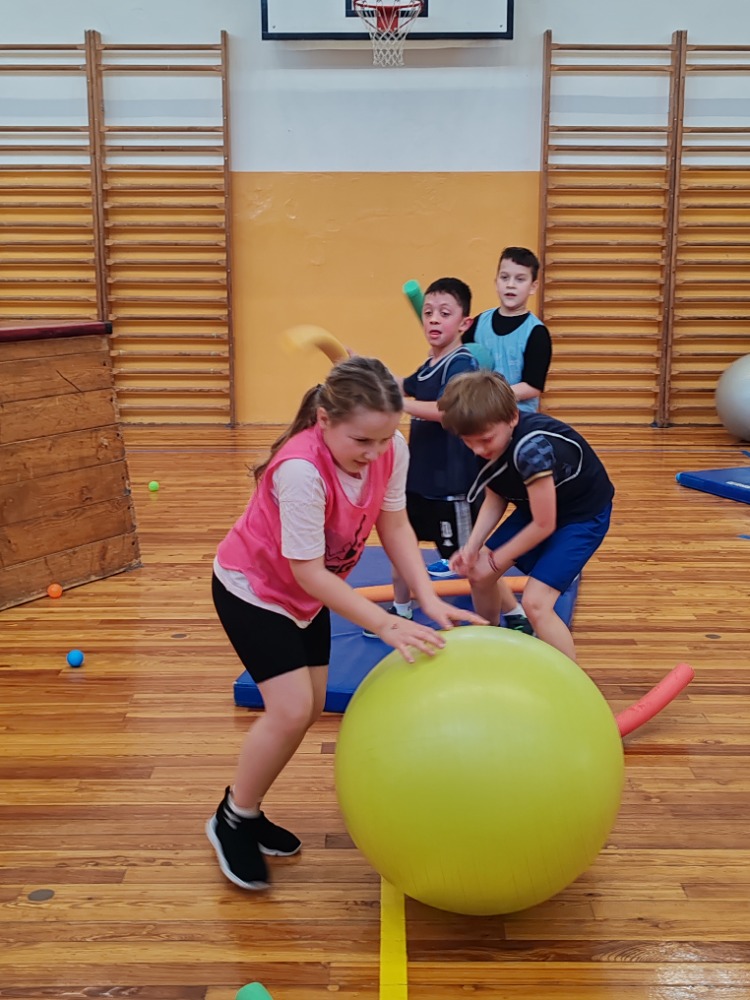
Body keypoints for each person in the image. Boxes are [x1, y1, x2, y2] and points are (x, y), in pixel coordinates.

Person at [207, 356, 486, 891]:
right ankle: (233, 818)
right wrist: (385, 624)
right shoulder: (300, 470)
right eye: (362, 441)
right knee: (290, 710)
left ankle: (245, 807)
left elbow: (395, 524)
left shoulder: (389, 448)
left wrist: (428, 596)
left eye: (384, 439)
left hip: (307, 596)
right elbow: (308, 572)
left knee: (309, 708)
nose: (375, 453)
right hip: (253, 591)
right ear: (324, 420)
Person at [437, 370, 614, 664]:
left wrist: (497, 558)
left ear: (513, 418)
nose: (478, 449)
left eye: (484, 440)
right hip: (538, 506)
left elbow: (545, 524)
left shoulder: (532, 450)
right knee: (479, 573)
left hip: (581, 515)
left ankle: (573, 681)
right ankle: (488, 646)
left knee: (536, 603)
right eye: (469, 442)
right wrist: (472, 547)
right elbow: (496, 496)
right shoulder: (485, 438)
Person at [363, 277, 498, 631]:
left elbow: (448, 409)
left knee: (468, 562)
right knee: (401, 545)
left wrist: (399, 404)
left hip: (451, 487)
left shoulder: (462, 362)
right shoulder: (430, 365)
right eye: (428, 312)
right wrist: (366, 368)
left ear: (464, 323)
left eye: (444, 313)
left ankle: (506, 615)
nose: (434, 319)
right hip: (418, 481)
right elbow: (403, 385)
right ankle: (401, 608)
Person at [462, 246, 552, 416]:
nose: (510, 285)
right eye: (504, 278)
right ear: (496, 282)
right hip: (477, 417)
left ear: (533, 287)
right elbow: (457, 355)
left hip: (517, 417)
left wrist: (492, 397)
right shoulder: (478, 323)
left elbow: (533, 386)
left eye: (520, 279)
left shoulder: (537, 333)